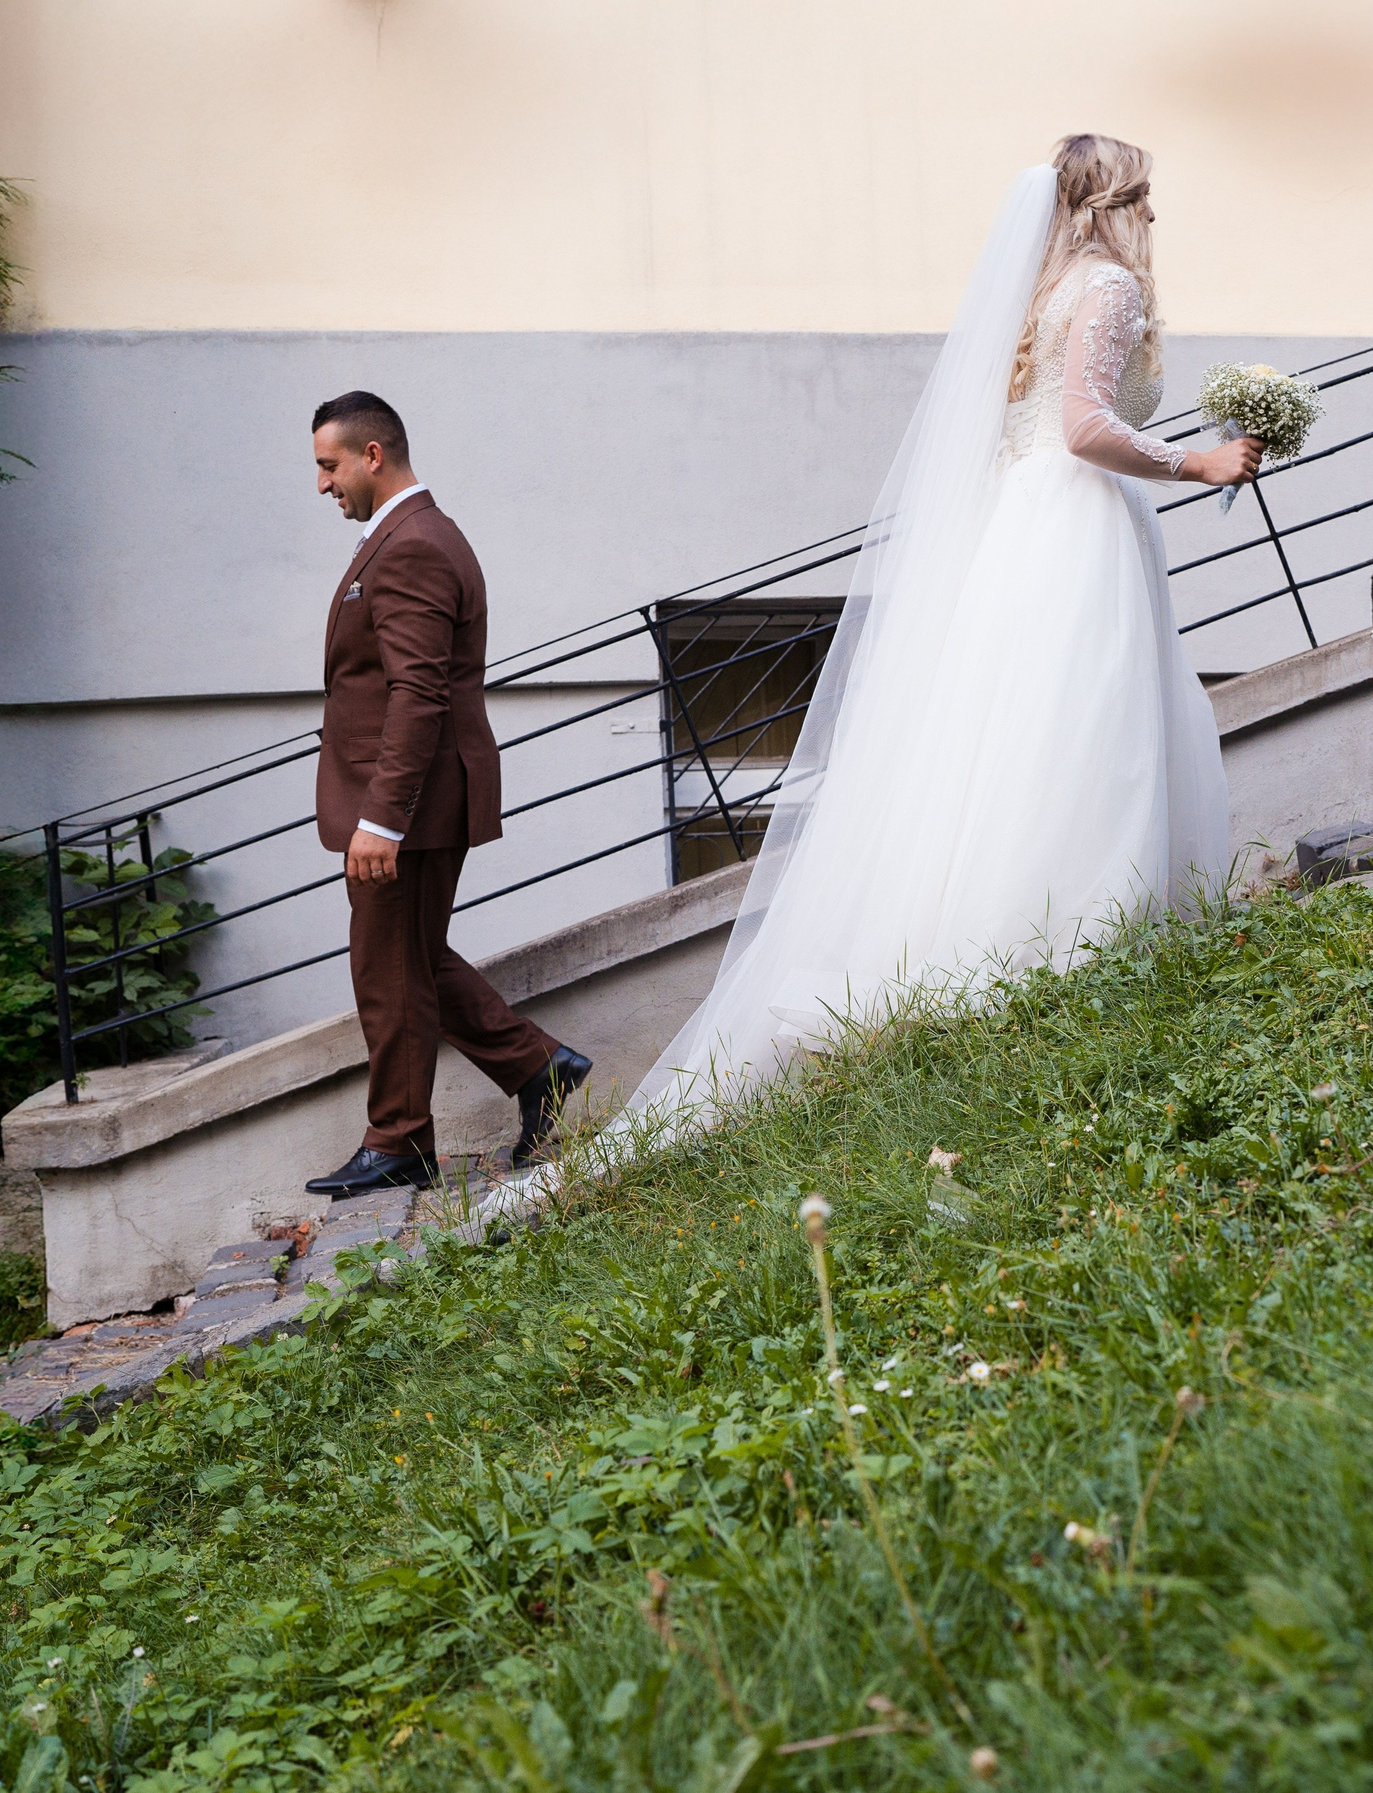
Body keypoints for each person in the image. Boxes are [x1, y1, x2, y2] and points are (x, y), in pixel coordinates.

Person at [629, 135, 1257, 1127]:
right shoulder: (1109, 288)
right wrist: (1200, 462)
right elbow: (1085, 428)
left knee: (1018, 739)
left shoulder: (1040, 293)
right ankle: (1074, 948)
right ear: (1115, 203)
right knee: (1086, 733)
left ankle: (1004, 958)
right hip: (1078, 528)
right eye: (1146, 197)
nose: (1154, 215)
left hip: (1025, 529)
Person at [303, 390, 591, 1193]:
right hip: (415, 801)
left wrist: (381, 820)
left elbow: (418, 692)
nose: (322, 485)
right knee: (410, 959)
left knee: (387, 970)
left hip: (411, 806)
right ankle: (539, 1069)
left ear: (372, 455)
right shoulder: (410, 536)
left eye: (329, 466)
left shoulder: (414, 546)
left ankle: (399, 1141)